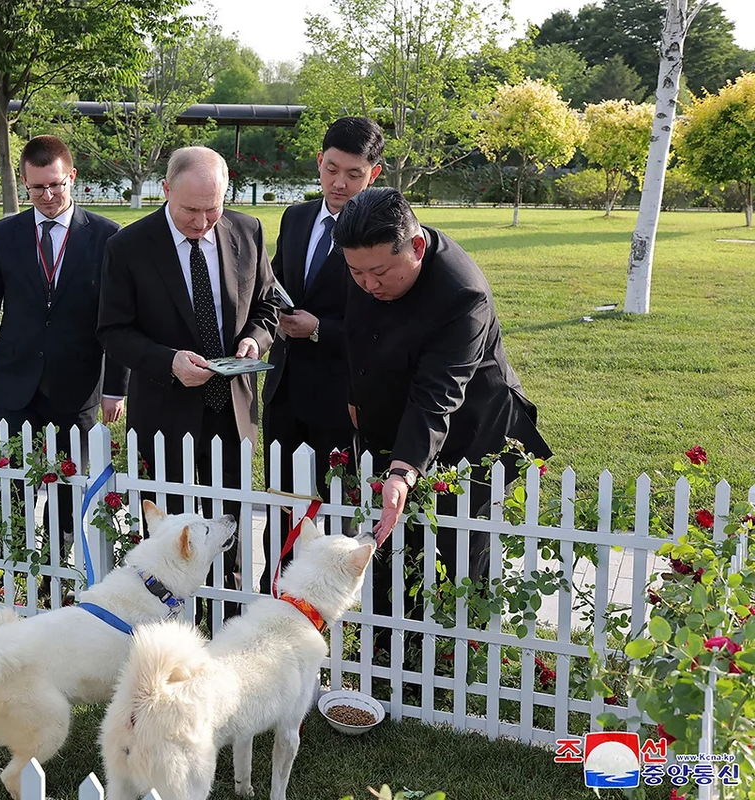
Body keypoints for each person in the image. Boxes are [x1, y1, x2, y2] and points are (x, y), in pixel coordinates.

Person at [334, 186, 553, 641]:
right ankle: (386, 647)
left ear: (415, 248)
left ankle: (448, 656)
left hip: (470, 436)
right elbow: (357, 331)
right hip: (397, 422)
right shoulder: (367, 260)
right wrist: (358, 393)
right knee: (391, 545)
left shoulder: (461, 293)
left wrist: (403, 469)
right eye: (356, 272)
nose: (368, 284)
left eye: (378, 273)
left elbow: (438, 393)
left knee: (454, 554)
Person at [97, 145, 278, 620]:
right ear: (166, 191)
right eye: (190, 210)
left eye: (212, 208)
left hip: (232, 409)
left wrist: (255, 342)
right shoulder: (128, 247)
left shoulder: (247, 229)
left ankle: (229, 624)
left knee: (228, 527)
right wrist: (168, 361)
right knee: (171, 533)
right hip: (164, 413)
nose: (202, 222)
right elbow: (113, 332)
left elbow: (267, 307)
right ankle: (172, 627)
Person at [0, 135, 128, 567]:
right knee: (16, 484)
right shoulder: (5, 234)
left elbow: (121, 319)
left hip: (79, 387)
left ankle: (56, 566)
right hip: (15, 383)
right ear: (24, 183)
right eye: (37, 188)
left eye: (56, 184)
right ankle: (20, 568)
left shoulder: (108, 237)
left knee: (69, 489)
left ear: (72, 177)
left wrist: (116, 388)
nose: (48, 196)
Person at [259, 116, 384, 593]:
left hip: (343, 393)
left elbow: (383, 320)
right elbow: (273, 282)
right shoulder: (295, 217)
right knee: (283, 506)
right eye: (332, 169)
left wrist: (319, 331)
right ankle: (278, 597)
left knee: (336, 514)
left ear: (373, 174)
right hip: (285, 389)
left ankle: (332, 609)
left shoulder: (382, 229)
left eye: (354, 174)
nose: (339, 183)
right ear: (319, 162)